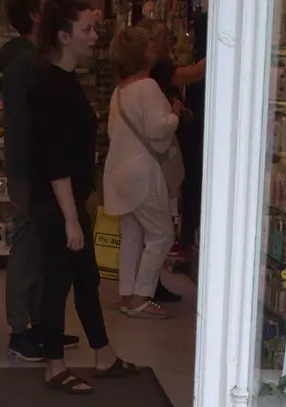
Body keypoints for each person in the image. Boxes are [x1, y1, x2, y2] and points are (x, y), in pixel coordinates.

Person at [29, 0, 140, 394]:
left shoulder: (65, 79)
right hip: (58, 202)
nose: (95, 38)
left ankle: (103, 354)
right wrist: (71, 217)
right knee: (59, 282)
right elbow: (54, 158)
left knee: (86, 279)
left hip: (69, 199)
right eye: (87, 31)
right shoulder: (49, 84)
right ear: (63, 35)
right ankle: (54, 365)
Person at [103, 25, 180, 319]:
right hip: (142, 172)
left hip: (119, 171)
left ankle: (127, 294)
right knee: (161, 234)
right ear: (142, 52)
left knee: (132, 235)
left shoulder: (119, 92)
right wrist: (174, 113)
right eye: (150, 46)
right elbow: (159, 129)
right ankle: (141, 296)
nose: (154, 49)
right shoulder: (148, 87)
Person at [0, 1, 47, 361]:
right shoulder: (24, 65)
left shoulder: (26, 61)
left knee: (36, 246)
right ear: (35, 15)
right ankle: (20, 331)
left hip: (31, 168)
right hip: (30, 169)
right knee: (28, 246)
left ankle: (37, 324)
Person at [143, 18, 206, 300]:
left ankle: (142, 289)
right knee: (159, 229)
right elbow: (192, 74)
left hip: (149, 154)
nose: (173, 41)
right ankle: (145, 289)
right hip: (158, 154)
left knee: (144, 230)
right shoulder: (162, 68)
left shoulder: (142, 75)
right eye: (168, 36)